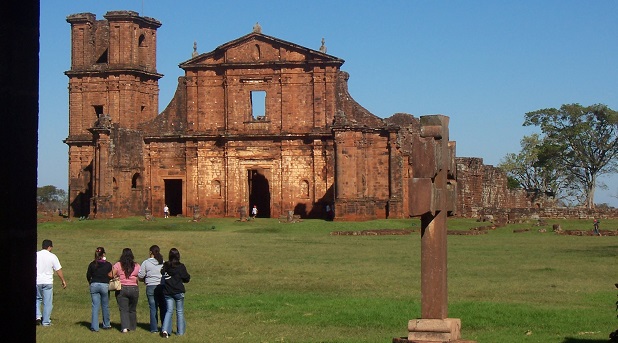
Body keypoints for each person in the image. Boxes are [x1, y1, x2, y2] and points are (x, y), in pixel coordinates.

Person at [36, 239, 67, 326]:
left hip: (37, 281)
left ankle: (37, 316)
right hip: (48, 281)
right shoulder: (52, 256)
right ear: (49, 247)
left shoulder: (36, 255)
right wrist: (63, 280)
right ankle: (46, 321)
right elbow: (58, 269)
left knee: (37, 299)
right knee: (48, 302)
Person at [161, 248, 191, 337]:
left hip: (167, 292)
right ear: (178, 256)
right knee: (180, 311)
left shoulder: (165, 265)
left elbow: (162, 273)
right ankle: (180, 333)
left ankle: (165, 330)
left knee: (169, 311)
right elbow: (186, 278)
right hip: (178, 291)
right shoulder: (181, 266)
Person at [138, 245, 166, 333]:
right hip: (162, 286)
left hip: (150, 286)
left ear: (150, 252)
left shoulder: (146, 262)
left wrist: (145, 279)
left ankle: (154, 328)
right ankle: (164, 327)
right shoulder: (163, 262)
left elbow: (140, 275)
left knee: (153, 308)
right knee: (163, 307)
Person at [111, 248, 141, 333]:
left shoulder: (118, 264)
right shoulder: (136, 265)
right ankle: (132, 327)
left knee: (123, 309)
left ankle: (125, 327)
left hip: (122, 288)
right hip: (134, 288)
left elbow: (112, 274)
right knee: (132, 309)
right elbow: (141, 275)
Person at [86, 247, 113, 332]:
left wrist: (90, 282)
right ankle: (107, 324)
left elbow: (88, 275)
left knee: (95, 306)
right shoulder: (108, 264)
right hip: (104, 285)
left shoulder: (92, 264)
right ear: (104, 254)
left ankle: (94, 327)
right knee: (105, 305)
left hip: (94, 284)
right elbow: (111, 275)